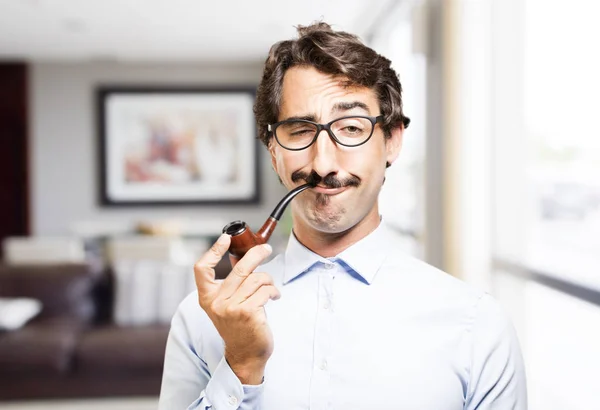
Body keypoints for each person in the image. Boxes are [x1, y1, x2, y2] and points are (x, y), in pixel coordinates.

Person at [158, 22, 527, 409]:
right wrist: (241, 365)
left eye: (351, 128)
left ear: (393, 141)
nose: (323, 163)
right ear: (273, 152)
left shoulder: (476, 324)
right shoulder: (201, 320)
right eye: (300, 131)